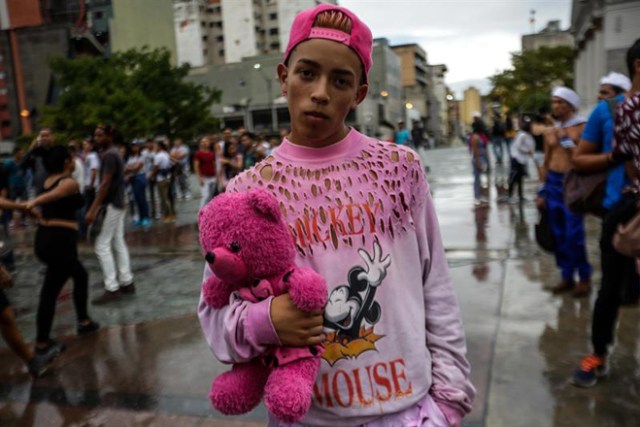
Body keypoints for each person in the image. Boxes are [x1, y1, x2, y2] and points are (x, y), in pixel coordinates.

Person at [198, 4, 475, 426]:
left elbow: (435, 285)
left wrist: (449, 402)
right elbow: (215, 313)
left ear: (360, 93)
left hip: (410, 410)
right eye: (307, 73)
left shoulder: (400, 169)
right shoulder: (246, 192)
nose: (321, 92)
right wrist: (267, 321)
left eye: (340, 80)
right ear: (283, 76)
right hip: (307, 414)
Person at [571, 38, 640, 387]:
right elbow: (580, 159)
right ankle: (598, 353)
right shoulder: (611, 111)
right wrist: (616, 157)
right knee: (610, 289)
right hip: (623, 211)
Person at [25, 145, 100, 356]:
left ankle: (83, 320)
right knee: (50, 290)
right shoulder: (68, 183)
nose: (74, 160)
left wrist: (37, 214)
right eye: (72, 157)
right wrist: (33, 203)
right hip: (59, 242)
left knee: (80, 276)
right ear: (67, 161)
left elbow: (46, 202)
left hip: (48, 238)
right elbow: (55, 196)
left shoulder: (45, 182)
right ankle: (41, 342)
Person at [537, 87, 592, 297]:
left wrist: (565, 138)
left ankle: (584, 277)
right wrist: (541, 191)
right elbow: (546, 160)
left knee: (574, 233)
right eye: (554, 102)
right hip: (552, 183)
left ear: (570, 106)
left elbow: (580, 156)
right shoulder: (549, 131)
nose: (556, 106)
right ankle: (567, 276)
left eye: (560, 102)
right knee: (557, 232)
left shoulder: (581, 127)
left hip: (572, 184)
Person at [86, 124, 135, 305]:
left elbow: (105, 184)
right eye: (95, 135)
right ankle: (126, 281)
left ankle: (112, 287)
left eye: (100, 135)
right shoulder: (114, 153)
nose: (97, 138)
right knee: (117, 241)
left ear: (109, 136)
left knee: (101, 245)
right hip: (119, 202)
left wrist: (93, 208)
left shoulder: (108, 155)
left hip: (113, 204)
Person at [505, 116, 535, 203]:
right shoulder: (522, 135)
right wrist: (528, 151)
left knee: (519, 178)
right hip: (517, 158)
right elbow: (519, 146)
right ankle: (510, 196)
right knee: (513, 177)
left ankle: (520, 195)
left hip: (521, 159)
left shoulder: (525, 135)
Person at [20, 128, 55, 196]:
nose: (44, 138)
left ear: (52, 137)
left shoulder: (57, 151)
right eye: (42, 136)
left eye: (47, 136)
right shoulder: (35, 153)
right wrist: (31, 148)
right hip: (40, 190)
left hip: (55, 189)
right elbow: (23, 164)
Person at [124, 140, 150, 228]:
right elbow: (126, 168)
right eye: (133, 146)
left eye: (136, 146)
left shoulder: (142, 156)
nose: (134, 148)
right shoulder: (131, 157)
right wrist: (131, 168)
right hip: (133, 178)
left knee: (142, 198)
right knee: (136, 199)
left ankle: (146, 217)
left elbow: (137, 167)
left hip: (140, 177)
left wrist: (130, 168)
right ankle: (140, 217)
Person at [151, 140, 175, 223]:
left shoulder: (158, 156)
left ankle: (169, 215)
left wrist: (151, 176)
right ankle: (170, 214)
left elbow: (156, 167)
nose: (154, 148)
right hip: (167, 177)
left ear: (159, 147)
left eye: (155, 146)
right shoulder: (166, 154)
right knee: (166, 197)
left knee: (164, 198)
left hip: (161, 179)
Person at [469, 118, 490, 206]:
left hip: (482, 158)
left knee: (480, 179)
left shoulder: (480, 136)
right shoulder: (475, 137)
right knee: (477, 179)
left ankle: (480, 196)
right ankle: (477, 197)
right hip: (478, 159)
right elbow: (475, 151)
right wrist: (478, 162)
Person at [193, 136, 217, 209]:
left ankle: (208, 212)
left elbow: (214, 165)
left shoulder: (212, 153)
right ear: (200, 144)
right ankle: (201, 213)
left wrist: (217, 176)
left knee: (211, 196)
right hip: (204, 177)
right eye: (203, 142)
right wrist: (199, 178)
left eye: (206, 141)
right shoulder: (198, 154)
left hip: (213, 176)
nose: (205, 143)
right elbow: (196, 166)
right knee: (205, 196)